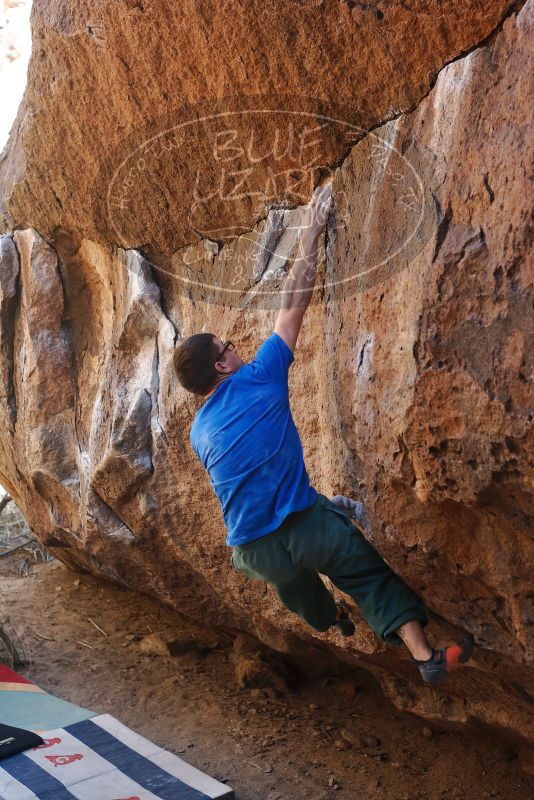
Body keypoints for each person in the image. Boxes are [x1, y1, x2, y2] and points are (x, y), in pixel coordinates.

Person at [174, 183, 473, 685]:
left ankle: (330, 619)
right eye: (228, 345)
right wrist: (313, 229)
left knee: (299, 586)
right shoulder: (259, 376)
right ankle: (425, 657)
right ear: (222, 365)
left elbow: (254, 477)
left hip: (253, 550)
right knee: (363, 573)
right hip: (303, 530)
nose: (237, 347)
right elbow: (294, 303)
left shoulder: (199, 432)